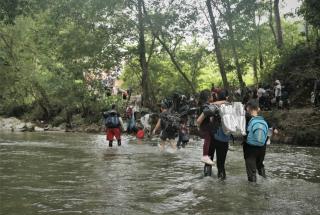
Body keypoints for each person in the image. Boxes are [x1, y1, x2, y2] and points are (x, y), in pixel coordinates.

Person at [243, 100, 269, 182]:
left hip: (250, 149)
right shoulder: (263, 120)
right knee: (260, 166)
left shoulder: (245, 118)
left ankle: (253, 192)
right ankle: (265, 181)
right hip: (262, 148)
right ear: (258, 108)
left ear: (248, 108)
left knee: (252, 173)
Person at [209, 90, 231, 180]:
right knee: (221, 165)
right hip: (225, 139)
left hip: (212, 137)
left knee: (208, 161)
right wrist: (226, 101)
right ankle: (222, 183)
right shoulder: (230, 107)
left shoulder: (214, 106)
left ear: (218, 97)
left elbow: (207, 110)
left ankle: (207, 179)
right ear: (227, 97)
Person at [197, 90, 215, 166]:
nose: (213, 96)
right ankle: (205, 156)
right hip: (205, 127)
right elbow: (199, 120)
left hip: (204, 127)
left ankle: (206, 156)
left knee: (208, 141)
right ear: (208, 97)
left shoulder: (204, 105)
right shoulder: (205, 106)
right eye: (211, 95)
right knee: (207, 141)